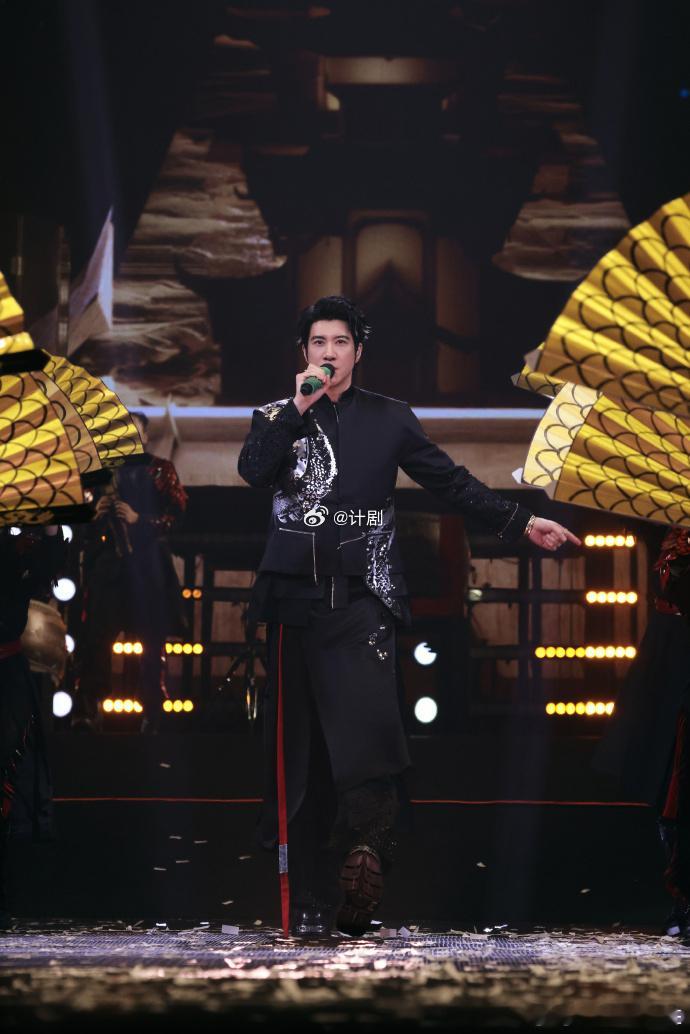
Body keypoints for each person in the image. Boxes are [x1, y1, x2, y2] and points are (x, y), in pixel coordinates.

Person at [238, 294, 580, 938]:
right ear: (303, 352)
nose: (329, 353)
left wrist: (520, 521)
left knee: (371, 738)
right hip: (294, 605)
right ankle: (308, 892)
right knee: (298, 754)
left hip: (362, 602)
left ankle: (366, 853)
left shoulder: (389, 417)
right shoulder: (276, 417)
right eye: (318, 342)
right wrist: (297, 410)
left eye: (341, 342)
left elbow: (451, 482)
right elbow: (254, 471)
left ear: (358, 352)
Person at [73, 413, 188, 731]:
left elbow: (178, 515)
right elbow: (77, 521)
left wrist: (142, 520)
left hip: (147, 568)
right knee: (96, 640)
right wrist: (92, 514)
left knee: (151, 644)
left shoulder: (160, 469)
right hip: (108, 569)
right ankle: (88, 709)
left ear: (145, 436)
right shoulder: (99, 474)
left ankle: (151, 712)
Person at [0, 524, 66, 926]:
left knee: (7, 781)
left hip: (5, 674)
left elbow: (47, 568)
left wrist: (51, 527)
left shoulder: (16, 542)